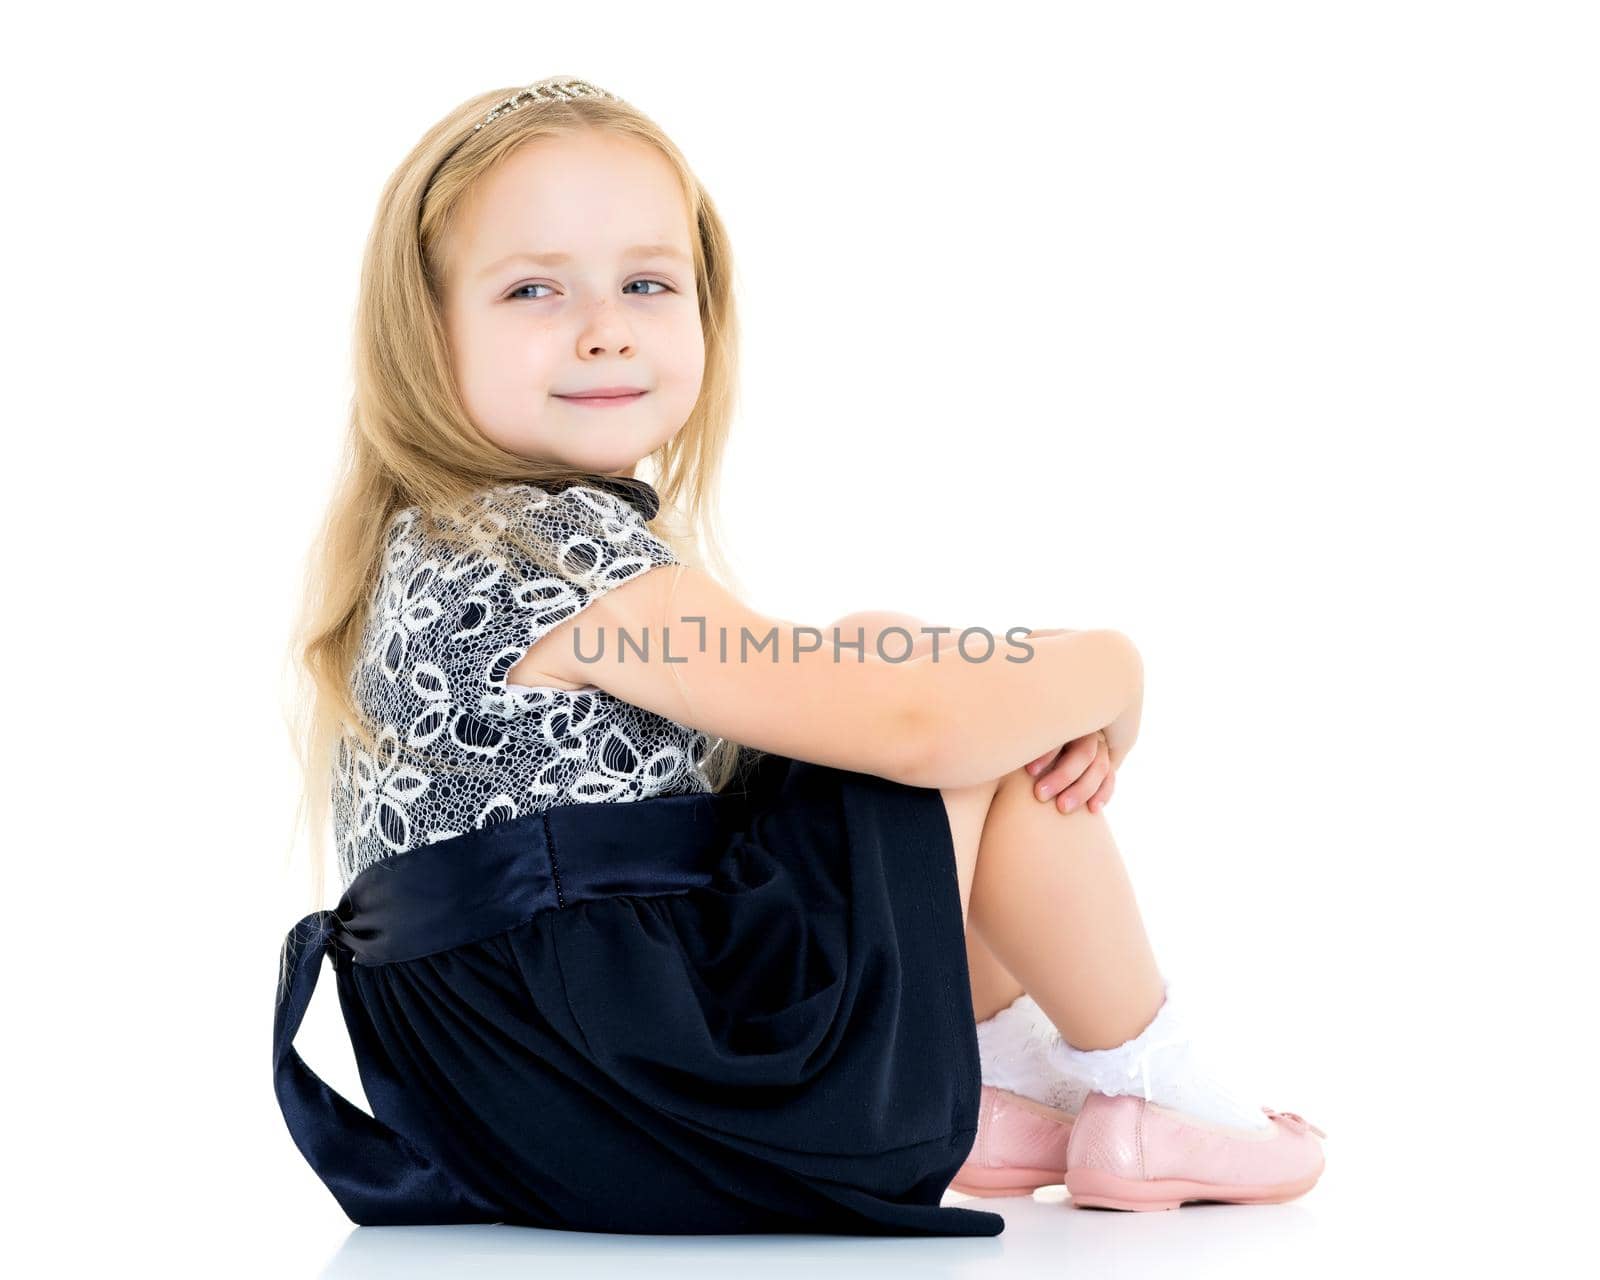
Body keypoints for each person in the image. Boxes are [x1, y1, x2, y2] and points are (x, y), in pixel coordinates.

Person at [274, 75, 1326, 1236]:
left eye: (646, 283)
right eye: (533, 289)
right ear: (424, 332)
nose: (605, 326)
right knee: (932, 702)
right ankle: (1154, 1084)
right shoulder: (557, 552)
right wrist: (1105, 669)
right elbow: (915, 726)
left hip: (515, 1107)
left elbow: (862, 692)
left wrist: (964, 680)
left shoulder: (433, 542)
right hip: (643, 1086)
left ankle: (1006, 1076)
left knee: (888, 664)